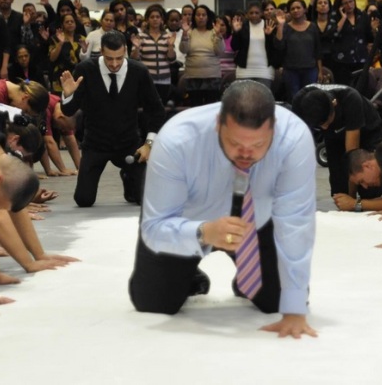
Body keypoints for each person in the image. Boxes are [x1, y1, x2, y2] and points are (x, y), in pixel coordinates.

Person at [129, 81, 317, 338]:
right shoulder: (176, 139)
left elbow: (296, 220)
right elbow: (155, 226)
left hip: (257, 219)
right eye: (236, 143)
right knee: (152, 302)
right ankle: (190, 275)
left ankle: (247, 281)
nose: (246, 153)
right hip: (188, 220)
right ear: (219, 123)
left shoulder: (294, 138)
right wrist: (204, 232)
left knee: (279, 301)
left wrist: (295, 310)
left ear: (273, 130)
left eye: (258, 145)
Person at [59, 31, 165, 207]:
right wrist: (68, 95)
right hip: (95, 144)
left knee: (142, 198)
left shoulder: (139, 71)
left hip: (129, 143)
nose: (114, 64)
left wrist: (149, 144)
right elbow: (68, 111)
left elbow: (157, 111)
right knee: (84, 200)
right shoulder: (85, 70)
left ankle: (128, 177)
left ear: (126, 51)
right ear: (101, 51)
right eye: (109, 58)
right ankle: (125, 174)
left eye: (119, 58)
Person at [291, 84, 382, 197]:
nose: (324, 128)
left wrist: (352, 200)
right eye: (320, 125)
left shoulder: (350, 99)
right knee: (339, 193)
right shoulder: (300, 103)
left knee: (370, 190)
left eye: (327, 122)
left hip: (366, 130)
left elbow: (352, 157)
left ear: (334, 104)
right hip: (334, 137)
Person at [275, 0, 323, 100]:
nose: (295, 10)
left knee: (310, 99)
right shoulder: (285, 27)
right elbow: (279, 46)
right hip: (291, 71)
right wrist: (280, 25)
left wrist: (320, 71)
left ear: (304, 9)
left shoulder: (313, 27)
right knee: (293, 99)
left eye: (298, 7)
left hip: (310, 69)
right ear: (289, 12)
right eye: (292, 9)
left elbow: (318, 50)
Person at [180, 4, 225, 107]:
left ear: (208, 17)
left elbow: (220, 51)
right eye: (198, 15)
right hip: (193, 76)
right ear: (194, 17)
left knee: (211, 109)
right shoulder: (189, 32)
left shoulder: (214, 32)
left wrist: (218, 35)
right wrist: (185, 34)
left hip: (212, 76)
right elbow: (183, 50)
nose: (201, 17)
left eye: (203, 15)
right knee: (195, 109)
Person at [231, 1, 277, 90]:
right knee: (244, 99)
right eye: (251, 13)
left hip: (265, 70)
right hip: (244, 70)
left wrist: (269, 35)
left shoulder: (268, 25)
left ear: (262, 13)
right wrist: (236, 32)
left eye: (257, 13)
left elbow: (275, 47)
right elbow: (234, 47)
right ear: (247, 14)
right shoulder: (242, 26)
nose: (254, 15)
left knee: (263, 99)